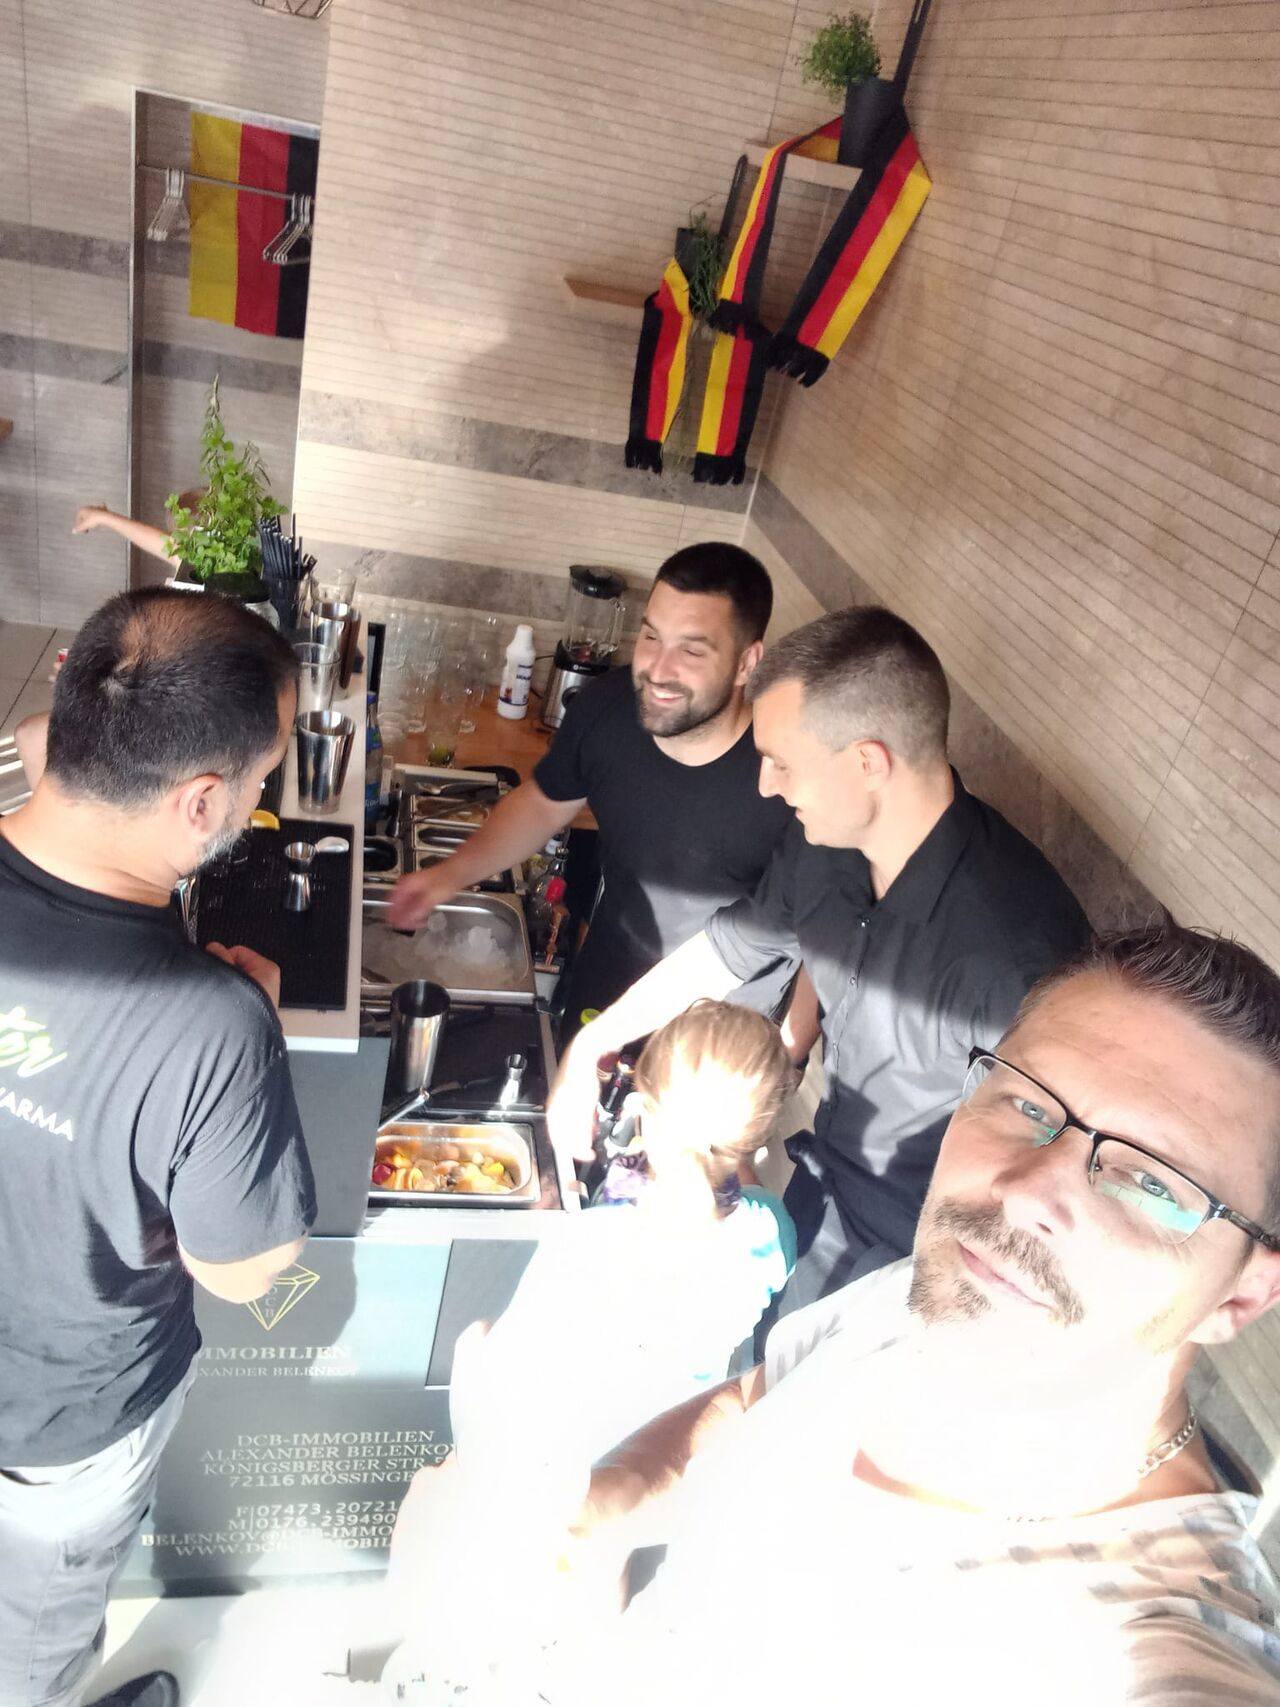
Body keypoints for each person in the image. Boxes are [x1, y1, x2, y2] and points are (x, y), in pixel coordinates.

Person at [489, 924, 1280, 1706]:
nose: (1026, 1193)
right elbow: (757, 1399)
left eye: (1152, 1180)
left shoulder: (1151, 1637)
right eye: (1028, 1102)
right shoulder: (927, 1294)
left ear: (1241, 1294)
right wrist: (594, 1512)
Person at [550, 606, 1090, 1313]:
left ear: (868, 762)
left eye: (782, 762)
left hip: (918, 1264)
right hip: (822, 1180)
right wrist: (594, 1041)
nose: (766, 785)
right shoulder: (825, 848)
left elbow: (1048, 1178)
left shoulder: (1016, 958)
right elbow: (729, 947)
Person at [0, 589, 317, 1707]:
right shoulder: (211, 1026)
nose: (260, 798)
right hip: (61, 1435)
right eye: (263, 776)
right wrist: (257, 1031)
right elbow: (243, 1271)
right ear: (201, 802)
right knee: (32, 1660)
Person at [382, 1001, 796, 1700]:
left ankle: (435, 1661)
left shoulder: (589, 1241)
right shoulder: (771, 1235)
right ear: (757, 1131)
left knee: (441, 1472)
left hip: (550, 1459)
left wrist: (473, 1352)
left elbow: (503, 1360)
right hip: (651, 1442)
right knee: (609, 1555)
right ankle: (571, 1678)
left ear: (646, 1111)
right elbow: (741, 1198)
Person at [386, 543, 796, 1033]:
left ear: (747, 663)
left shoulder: (788, 774)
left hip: (725, 1030)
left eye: (690, 650)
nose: (658, 669)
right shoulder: (609, 708)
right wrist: (447, 877)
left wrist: (790, 1048)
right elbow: (543, 803)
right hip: (609, 981)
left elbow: (823, 929)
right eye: (651, 636)